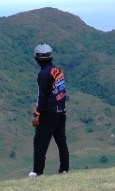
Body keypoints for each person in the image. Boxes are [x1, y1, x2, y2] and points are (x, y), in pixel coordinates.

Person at [29, 43, 69, 178]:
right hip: (60, 111)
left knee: (40, 142)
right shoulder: (58, 71)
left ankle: (38, 171)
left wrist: (36, 114)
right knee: (61, 141)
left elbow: (42, 96)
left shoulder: (43, 74)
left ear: (37, 59)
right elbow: (62, 91)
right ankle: (64, 169)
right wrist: (62, 108)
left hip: (48, 112)